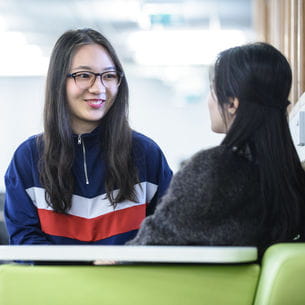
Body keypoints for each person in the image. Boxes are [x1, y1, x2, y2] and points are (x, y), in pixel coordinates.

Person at [127, 42, 305, 256]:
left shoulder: (214, 170)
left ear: (231, 103)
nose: (208, 100)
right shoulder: (293, 180)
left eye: (212, 90)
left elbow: (149, 245)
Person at [4, 28, 172, 245]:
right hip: (54, 280)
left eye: (109, 76)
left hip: (128, 279)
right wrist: (82, 272)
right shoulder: (28, 157)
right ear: (59, 82)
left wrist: (123, 260)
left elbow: (169, 234)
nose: (98, 87)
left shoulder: (146, 153)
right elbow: (25, 241)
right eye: (84, 75)